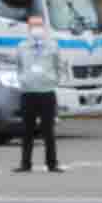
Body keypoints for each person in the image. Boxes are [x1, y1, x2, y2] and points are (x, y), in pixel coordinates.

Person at [13, 11, 63, 173]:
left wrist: (52, 80)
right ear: (28, 28)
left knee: (48, 130)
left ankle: (52, 163)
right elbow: (18, 67)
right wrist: (24, 80)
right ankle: (25, 163)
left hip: (46, 92)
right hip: (28, 93)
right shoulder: (21, 46)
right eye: (33, 25)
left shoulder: (53, 46)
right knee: (27, 130)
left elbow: (59, 66)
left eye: (39, 25)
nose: (36, 28)